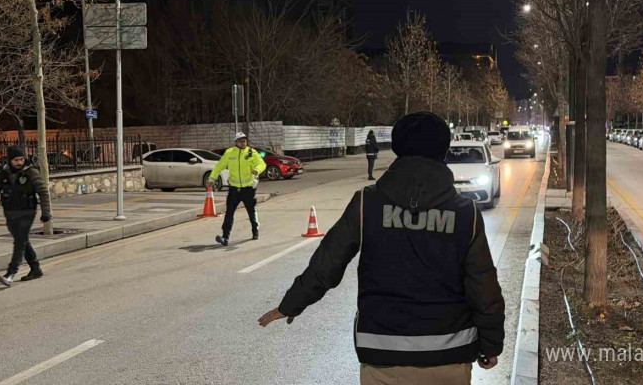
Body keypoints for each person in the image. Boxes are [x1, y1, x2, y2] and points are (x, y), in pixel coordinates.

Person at [258, 112, 505, 385]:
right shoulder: (465, 213)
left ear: (398, 148)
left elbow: (328, 262)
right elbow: (483, 285)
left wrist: (293, 302)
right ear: (443, 151)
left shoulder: (367, 203)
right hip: (449, 355)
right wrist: (491, 344)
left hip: (382, 353)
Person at [0, 146, 52, 287]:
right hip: (10, 213)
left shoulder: (31, 173)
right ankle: (35, 268)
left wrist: (46, 212)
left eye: (21, 159)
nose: (19, 162)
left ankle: (10, 274)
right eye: (16, 160)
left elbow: (43, 192)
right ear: (10, 160)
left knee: (19, 242)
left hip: (27, 212)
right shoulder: (3, 174)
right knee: (23, 242)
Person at [208, 132, 266, 246]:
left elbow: (262, 164)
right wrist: (212, 178)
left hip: (248, 189)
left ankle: (255, 230)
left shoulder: (251, 152)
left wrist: (257, 170)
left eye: (244, 141)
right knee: (229, 213)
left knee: (251, 211)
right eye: (240, 141)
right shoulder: (229, 153)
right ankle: (225, 237)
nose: (243, 143)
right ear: (236, 142)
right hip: (234, 189)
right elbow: (219, 166)